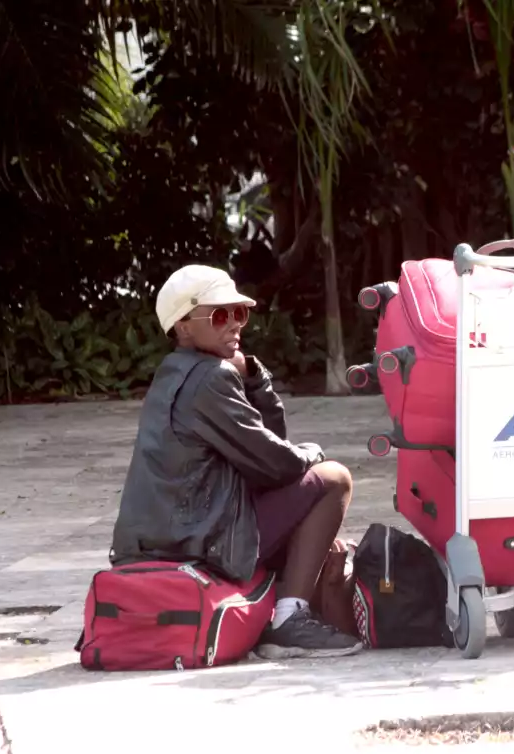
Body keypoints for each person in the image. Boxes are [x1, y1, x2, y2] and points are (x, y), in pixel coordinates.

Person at [109, 264, 363, 660]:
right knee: (333, 479)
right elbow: (276, 462)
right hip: (199, 540)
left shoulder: (174, 373)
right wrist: (313, 452)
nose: (234, 326)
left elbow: (266, 448)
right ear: (183, 327)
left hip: (168, 537)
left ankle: (282, 609)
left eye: (239, 313)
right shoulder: (209, 378)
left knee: (308, 517)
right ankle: (287, 621)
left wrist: (251, 378)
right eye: (219, 315)